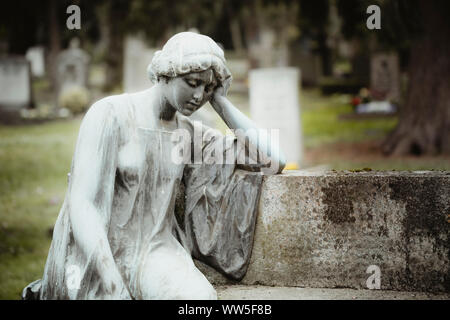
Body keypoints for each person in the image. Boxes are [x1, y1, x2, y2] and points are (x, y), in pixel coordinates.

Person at [22, 32, 286, 300]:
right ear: (166, 73)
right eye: (192, 82)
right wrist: (113, 286)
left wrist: (221, 102)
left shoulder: (188, 134)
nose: (198, 95)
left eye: (206, 89)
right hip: (95, 252)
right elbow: (83, 204)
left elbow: (272, 160)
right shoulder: (110, 114)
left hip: (156, 252)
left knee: (199, 300)